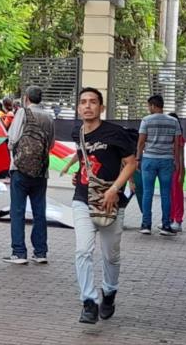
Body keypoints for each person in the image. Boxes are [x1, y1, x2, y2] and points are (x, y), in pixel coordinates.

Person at [67, 87, 137, 324]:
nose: (87, 106)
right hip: (82, 198)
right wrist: (79, 174)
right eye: (83, 102)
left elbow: (130, 163)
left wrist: (114, 189)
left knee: (111, 255)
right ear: (78, 108)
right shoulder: (78, 133)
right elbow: (85, 160)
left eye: (93, 102)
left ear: (101, 107)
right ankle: (88, 301)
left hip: (111, 201)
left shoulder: (115, 133)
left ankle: (109, 292)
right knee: (82, 251)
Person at [3, 85, 55, 265]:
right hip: (41, 171)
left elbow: (13, 138)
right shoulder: (49, 116)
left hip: (20, 168)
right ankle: (40, 252)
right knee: (39, 210)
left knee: (17, 210)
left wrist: (16, 151)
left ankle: (19, 252)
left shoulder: (22, 113)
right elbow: (51, 144)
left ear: (26, 98)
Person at [136, 94, 181, 236]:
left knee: (147, 192)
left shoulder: (146, 120)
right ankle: (166, 225)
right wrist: (176, 161)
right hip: (167, 160)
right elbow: (177, 143)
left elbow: (141, 142)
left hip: (149, 159)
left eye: (149, 106)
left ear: (153, 106)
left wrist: (138, 158)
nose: (148, 108)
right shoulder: (173, 121)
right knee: (166, 193)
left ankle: (146, 225)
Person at [168, 113, 186, 232]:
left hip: (176, 168)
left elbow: (181, 156)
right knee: (169, 195)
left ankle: (178, 221)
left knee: (177, 195)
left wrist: (181, 172)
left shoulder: (179, 137)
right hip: (167, 167)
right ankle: (169, 218)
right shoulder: (167, 136)